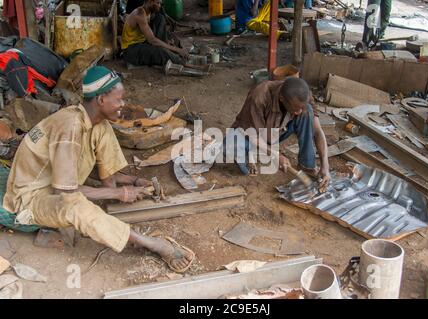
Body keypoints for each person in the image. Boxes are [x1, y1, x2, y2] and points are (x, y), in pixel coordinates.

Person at [2, 66, 195, 273]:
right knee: (74, 206)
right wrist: (119, 193)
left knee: (102, 128)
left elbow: (77, 162)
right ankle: (149, 242)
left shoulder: (83, 118)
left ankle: (110, 194)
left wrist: (132, 181)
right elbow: (65, 193)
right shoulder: (69, 127)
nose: (123, 105)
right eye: (119, 99)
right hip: (27, 200)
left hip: (51, 182)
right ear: (101, 99)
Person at [225, 77, 331, 191]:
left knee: (307, 112)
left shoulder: (303, 95)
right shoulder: (259, 96)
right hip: (250, 132)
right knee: (233, 149)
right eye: (295, 109)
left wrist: (325, 166)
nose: (298, 112)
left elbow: (318, 131)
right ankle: (249, 152)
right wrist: (276, 155)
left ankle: (307, 165)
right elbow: (252, 135)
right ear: (281, 99)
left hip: (275, 131)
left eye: (301, 107)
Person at [121, 0, 188, 67]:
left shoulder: (148, 10)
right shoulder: (140, 14)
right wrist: (177, 49)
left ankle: (168, 51)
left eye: (160, 3)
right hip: (131, 50)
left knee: (160, 19)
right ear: (149, 2)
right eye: (157, 3)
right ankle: (182, 62)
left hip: (141, 42)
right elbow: (152, 40)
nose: (159, 6)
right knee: (160, 51)